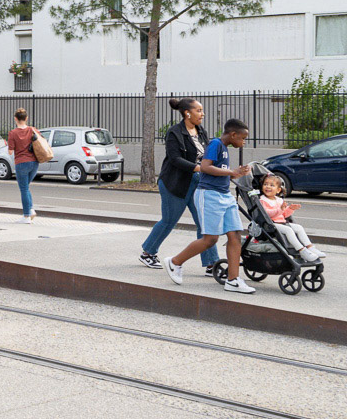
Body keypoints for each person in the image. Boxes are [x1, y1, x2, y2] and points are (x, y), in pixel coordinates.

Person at [166, 118, 256, 294]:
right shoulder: (215, 144)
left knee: (235, 235)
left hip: (224, 194)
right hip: (209, 195)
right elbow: (205, 167)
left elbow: (220, 173)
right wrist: (231, 171)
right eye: (243, 138)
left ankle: (233, 280)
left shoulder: (224, 149)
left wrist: (236, 174)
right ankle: (174, 262)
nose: (244, 142)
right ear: (233, 134)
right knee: (210, 239)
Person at [138, 97, 220, 276]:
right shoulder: (174, 132)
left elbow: (206, 154)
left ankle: (212, 264)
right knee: (169, 220)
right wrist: (199, 167)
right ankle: (148, 253)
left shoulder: (201, 131)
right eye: (199, 110)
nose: (202, 114)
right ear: (187, 113)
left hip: (198, 182)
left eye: (202, 110)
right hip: (174, 183)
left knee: (204, 222)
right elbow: (175, 159)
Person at [257, 173, 325, 262]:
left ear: (278, 190)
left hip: (282, 222)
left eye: (271, 185)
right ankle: (302, 250)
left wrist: (290, 209)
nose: (268, 187)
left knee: (299, 227)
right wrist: (280, 209)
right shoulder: (262, 200)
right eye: (265, 184)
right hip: (271, 223)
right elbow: (268, 214)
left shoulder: (279, 200)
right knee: (288, 230)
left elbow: (284, 214)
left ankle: (310, 247)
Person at [5, 108, 40, 223]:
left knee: (24, 188)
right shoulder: (33, 130)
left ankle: (26, 216)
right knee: (26, 187)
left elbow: (10, 151)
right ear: (26, 118)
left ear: (15, 119)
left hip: (21, 163)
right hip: (34, 163)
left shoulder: (13, 133)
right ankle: (31, 209)